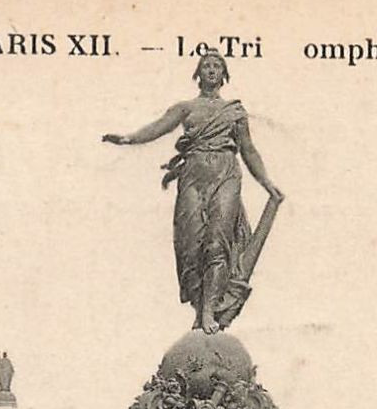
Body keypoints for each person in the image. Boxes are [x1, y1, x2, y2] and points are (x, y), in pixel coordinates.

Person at [103, 52, 285, 333]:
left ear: (224, 75)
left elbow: (248, 150)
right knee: (192, 246)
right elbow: (158, 127)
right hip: (193, 176)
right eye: (206, 66)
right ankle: (199, 310)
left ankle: (209, 311)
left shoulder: (235, 112)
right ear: (197, 74)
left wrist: (266, 182)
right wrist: (129, 139)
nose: (211, 70)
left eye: (217, 66)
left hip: (226, 174)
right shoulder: (185, 108)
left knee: (217, 242)